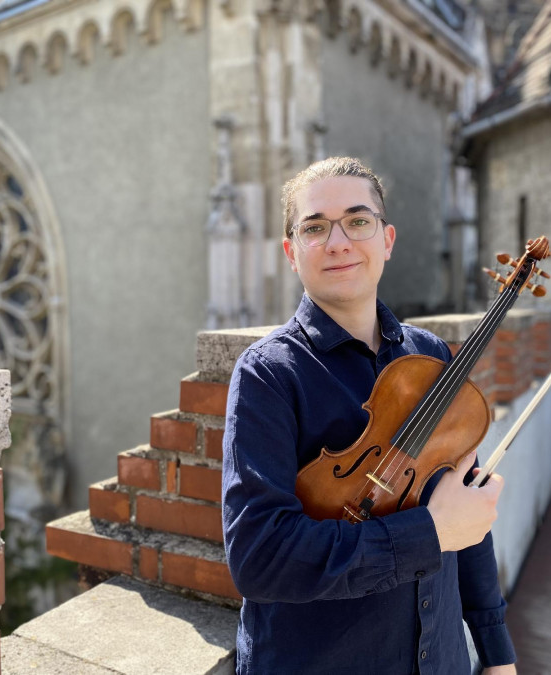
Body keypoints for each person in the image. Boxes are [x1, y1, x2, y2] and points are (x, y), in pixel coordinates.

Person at [221, 157, 517, 674]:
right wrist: (429, 534)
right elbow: (260, 557)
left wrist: (496, 653)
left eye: (358, 221)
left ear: (387, 240)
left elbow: (463, 514)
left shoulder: (431, 359)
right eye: (315, 227)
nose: (338, 241)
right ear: (292, 252)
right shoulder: (267, 374)